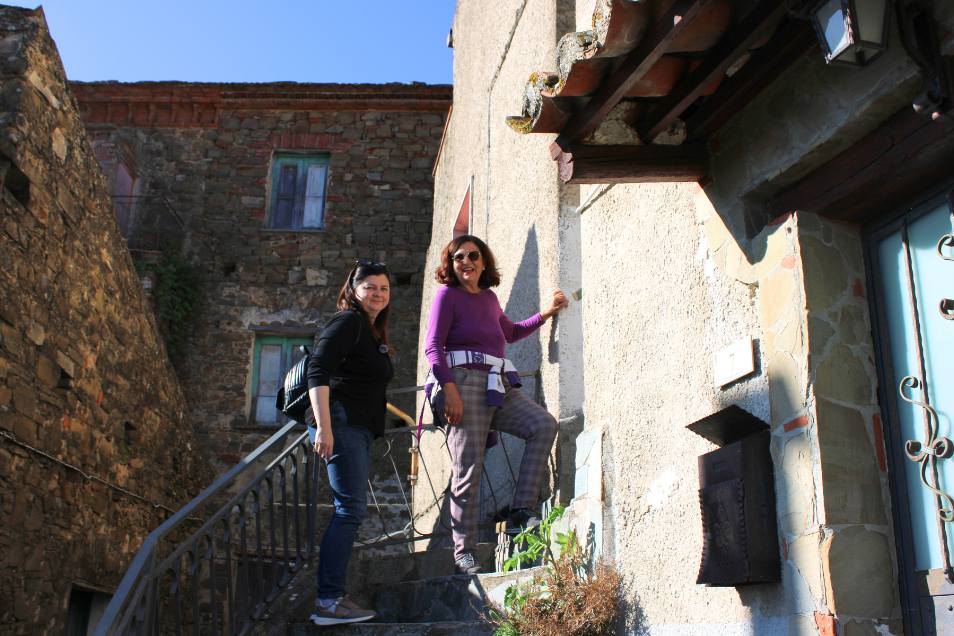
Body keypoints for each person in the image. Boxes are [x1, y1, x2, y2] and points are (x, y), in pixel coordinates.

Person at [424, 235, 569, 575]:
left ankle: (521, 509)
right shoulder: (448, 296)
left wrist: (546, 313)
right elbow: (433, 347)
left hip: (495, 384)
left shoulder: (489, 298)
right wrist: (450, 392)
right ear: (451, 265)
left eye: (473, 255)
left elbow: (511, 332)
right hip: (461, 383)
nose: (466, 261)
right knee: (469, 469)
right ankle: (464, 552)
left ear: (484, 262)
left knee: (543, 425)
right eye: (458, 257)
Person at [305, 259, 393, 626]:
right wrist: (324, 428)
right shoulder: (348, 321)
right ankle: (328, 601)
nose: (377, 293)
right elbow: (317, 370)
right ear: (353, 290)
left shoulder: (370, 331)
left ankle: (333, 598)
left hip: (353, 425)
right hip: (340, 423)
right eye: (370, 286)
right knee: (349, 511)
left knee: (351, 510)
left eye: (384, 288)